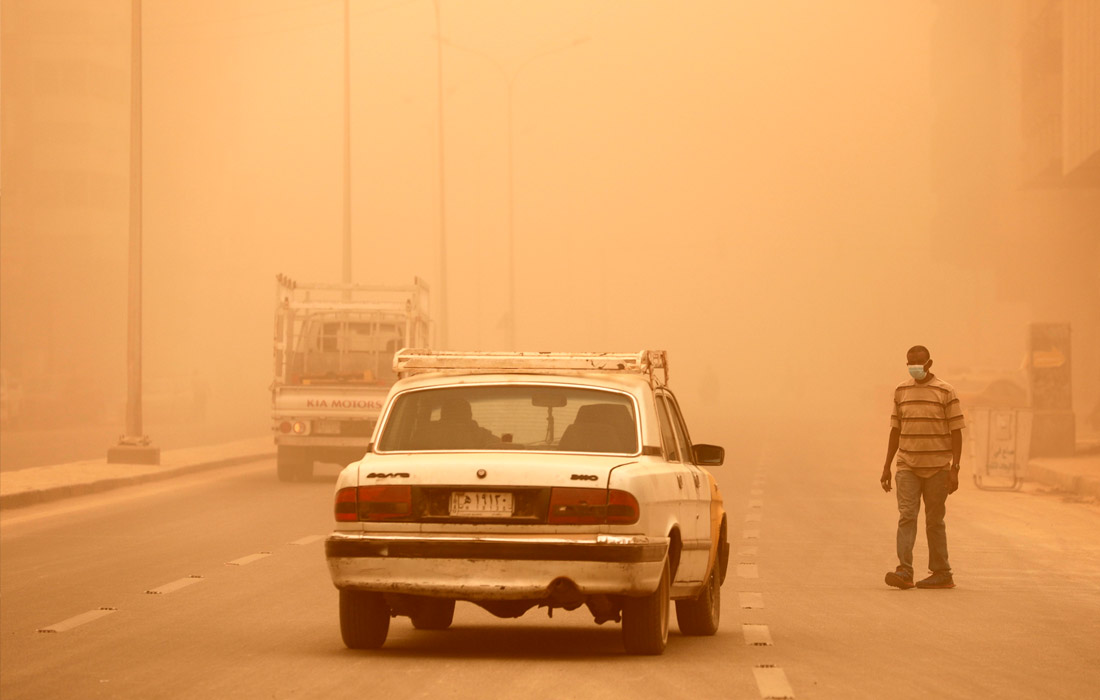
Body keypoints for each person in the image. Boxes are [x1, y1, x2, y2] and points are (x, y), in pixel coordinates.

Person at [880, 345, 965, 589]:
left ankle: (942, 572)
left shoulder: (945, 391)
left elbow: (956, 431)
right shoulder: (901, 390)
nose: (914, 367)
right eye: (910, 363)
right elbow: (895, 430)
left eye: (918, 362)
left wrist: (955, 468)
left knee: (934, 521)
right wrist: (886, 467)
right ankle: (904, 570)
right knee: (907, 516)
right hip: (907, 465)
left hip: (938, 467)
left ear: (929, 363)